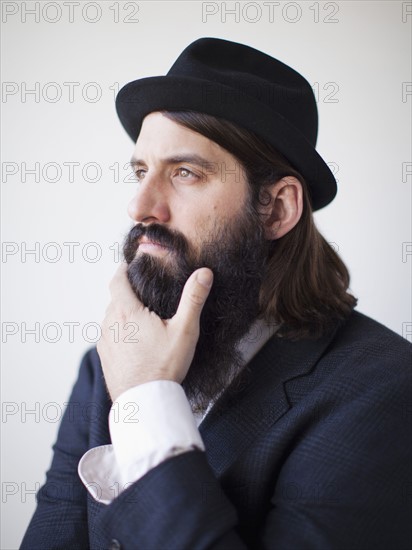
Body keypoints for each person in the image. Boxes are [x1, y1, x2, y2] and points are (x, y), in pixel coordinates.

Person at [21, 37, 411, 550]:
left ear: (275, 209)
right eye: (141, 172)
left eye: (184, 173)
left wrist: (147, 402)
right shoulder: (105, 366)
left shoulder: (385, 388)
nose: (141, 206)